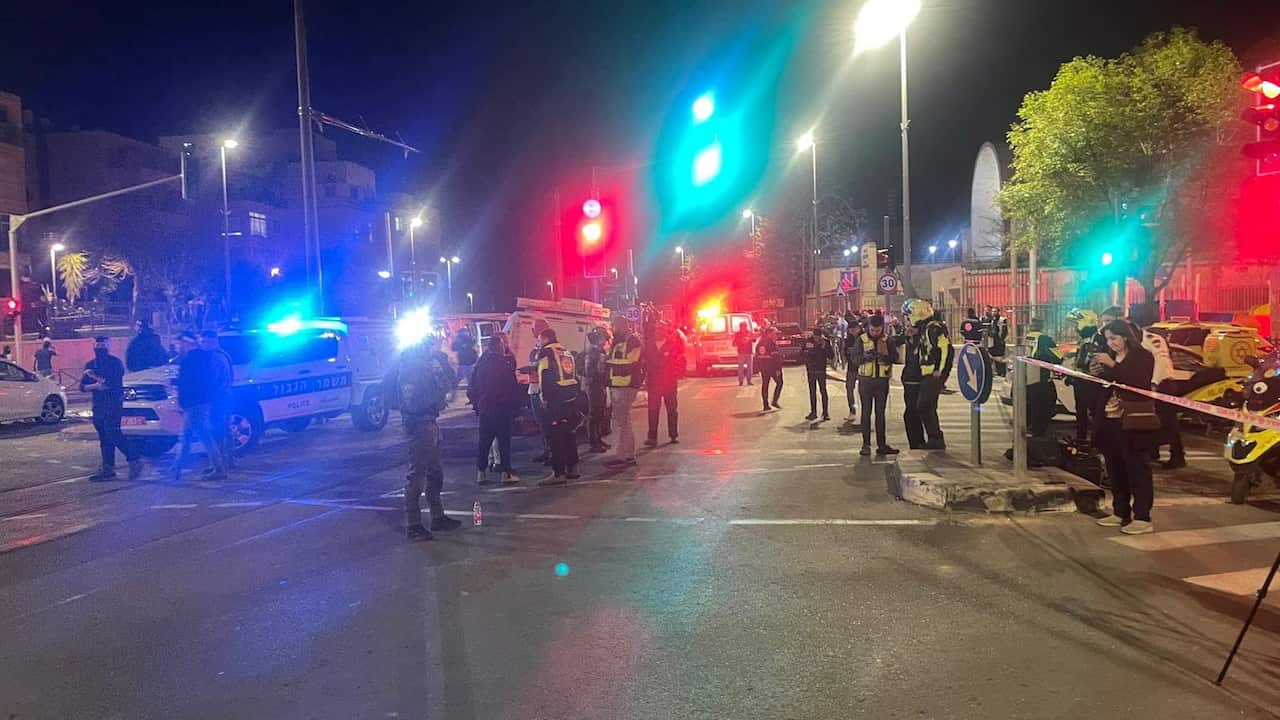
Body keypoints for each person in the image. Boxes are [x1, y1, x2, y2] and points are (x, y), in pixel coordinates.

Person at [1091, 319, 1157, 535]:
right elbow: (1107, 384)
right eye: (1108, 339)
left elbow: (1136, 383)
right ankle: (1121, 512)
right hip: (1110, 420)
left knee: (1137, 469)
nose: (1111, 343)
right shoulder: (1111, 358)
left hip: (1133, 421)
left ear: (1126, 336)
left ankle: (1142, 516)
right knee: (1115, 469)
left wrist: (1112, 366)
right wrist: (1096, 373)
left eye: (1114, 338)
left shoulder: (1143, 357)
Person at [397, 332, 460, 540]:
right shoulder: (410, 370)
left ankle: (437, 516)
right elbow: (413, 403)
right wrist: (437, 394)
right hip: (419, 425)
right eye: (433, 346)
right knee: (417, 476)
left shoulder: (427, 366)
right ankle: (413, 524)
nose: (436, 350)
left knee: (435, 472)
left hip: (430, 422)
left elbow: (448, 383)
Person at [80, 336, 143, 481]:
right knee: (104, 437)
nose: (100, 348)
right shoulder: (91, 364)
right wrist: (95, 386)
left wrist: (94, 377)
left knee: (112, 432)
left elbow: (111, 383)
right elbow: (82, 386)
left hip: (113, 404)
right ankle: (108, 468)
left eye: (103, 345)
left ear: (108, 346)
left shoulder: (115, 363)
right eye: (98, 344)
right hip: (98, 405)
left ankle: (134, 458)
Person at [172, 331, 227, 482]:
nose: (176, 347)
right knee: (187, 436)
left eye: (178, 344)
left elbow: (191, 382)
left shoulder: (191, 360)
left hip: (194, 402)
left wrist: (175, 383)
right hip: (197, 402)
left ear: (186, 343)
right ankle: (177, 467)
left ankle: (219, 467)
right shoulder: (201, 358)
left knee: (203, 435)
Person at [469, 335, 522, 485]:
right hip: (502, 409)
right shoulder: (504, 365)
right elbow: (513, 389)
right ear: (498, 347)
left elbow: (472, 388)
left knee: (484, 442)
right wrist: (515, 408)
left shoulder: (480, 365)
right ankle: (506, 473)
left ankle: (481, 473)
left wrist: (477, 405)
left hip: (486, 409)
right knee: (504, 442)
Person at [537, 328, 582, 483]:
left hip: (554, 399)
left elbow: (544, 375)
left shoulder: (545, 353)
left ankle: (558, 473)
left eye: (539, 339)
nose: (539, 342)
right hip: (569, 397)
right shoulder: (565, 351)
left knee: (555, 435)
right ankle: (573, 467)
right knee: (568, 433)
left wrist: (543, 398)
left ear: (545, 338)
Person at [850, 314, 899, 456]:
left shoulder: (887, 340)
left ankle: (881, 445)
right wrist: (865, 357)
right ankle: (866, 445)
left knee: (880, 414)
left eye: (877, 330)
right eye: (872, 330)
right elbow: (854, 359)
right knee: (866, 413)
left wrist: (885, 358)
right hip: (865, 382)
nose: (875, 333)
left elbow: (896, 357)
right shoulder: (862, 340)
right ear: (868, 328)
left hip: (881, 382)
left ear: (882, 328)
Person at [906, 298, 950, 450]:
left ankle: (936, 439)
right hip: (927, 374)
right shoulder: (926, 328)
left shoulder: (934, 328)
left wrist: (940, 371)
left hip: (932, 374)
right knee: (926, 406)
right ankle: (934, 438)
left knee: (925, 406)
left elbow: (945, 350)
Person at [606, 317, 644, 469]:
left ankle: (623, 456)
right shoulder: (621, 341)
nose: (612, 331)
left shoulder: (632, 341)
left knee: (622, 422)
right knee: (624, 421)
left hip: (625, 385)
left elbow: (631, 362)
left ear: (620, 326)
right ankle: (627, 455)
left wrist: (607, 362)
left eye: (613, 327)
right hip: (619, 385)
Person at [1065, 308, 1103, 444]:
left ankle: (1097, 442)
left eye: (1076, 324)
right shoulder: (1085, 340)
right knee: (1080, 412)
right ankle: (1081, 439)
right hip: (1081, 382)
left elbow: (1091, 362)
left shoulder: (1097, 339)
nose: (1075, 328)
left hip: (1091, 383)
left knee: (1094, 412)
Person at [200, 330, 236, 470]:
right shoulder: (224, 355)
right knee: (225, 429)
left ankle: (219, 463)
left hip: (217, 398)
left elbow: (213, 381)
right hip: (225, 396)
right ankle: (229, 461)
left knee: (217, 431)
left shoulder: (215, 357)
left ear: (213, 341)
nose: (202, 344)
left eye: (205, 341)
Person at [644, 323, 682, 446]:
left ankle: (673, 435)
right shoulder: (649, 345)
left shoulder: (672, 345)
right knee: (653, 411)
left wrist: (675, 374)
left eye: (661, 329)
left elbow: (679, 361)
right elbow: (645, 362)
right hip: (654, 383)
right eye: (657, 329)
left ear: (666, 332)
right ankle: (652, 437)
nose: (658, 332)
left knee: (672, 410)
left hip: (669, 383)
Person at [1026, 325, 1062, 437]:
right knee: (1041, 412)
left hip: (1030, 384)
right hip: (1041, 384)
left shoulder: (1027, 339)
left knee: (1033, 413)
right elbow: (1058, 358)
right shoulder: (1045, 340)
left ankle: (1033, 435)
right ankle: (1038, 436)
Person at [583, 327, 612, 454]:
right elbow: (592, 371)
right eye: (604, 338)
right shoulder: (593, 351)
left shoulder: (597, 351)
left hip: (599, 386)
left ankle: (598, 440)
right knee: (594, 414)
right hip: (594, 386)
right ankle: (594, 443)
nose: (605, 341)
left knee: (600, 414)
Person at [898, 322, 926, 449]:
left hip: (919, 379)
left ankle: (919, 440)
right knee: (910, 412)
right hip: (908, 379)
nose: (909, 329)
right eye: (907, 326)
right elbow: (893, 341)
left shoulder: (921, 341)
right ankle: (914, 442)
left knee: (915, 411)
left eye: (912, 327)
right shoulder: (906, 340)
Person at [800, 326, 833, 421]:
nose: (817, 339)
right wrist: (809, 354)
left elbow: (831, 355)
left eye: (818, 337)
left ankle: (825, 412)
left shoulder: (825, 342)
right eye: (815, 337)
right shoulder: (808, 341)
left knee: (823, 391)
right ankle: (813, 412)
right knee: (812, 391)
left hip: (821, 370)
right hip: (811, 370)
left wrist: (824, 348)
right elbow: (801, 353)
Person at [755, 326, 783, 412]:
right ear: (769, 334)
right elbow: (775, 358)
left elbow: (757, 356)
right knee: (780, 383)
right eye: (775, 334)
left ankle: (765, 404)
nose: (776, 335)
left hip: (764, 367)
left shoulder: (760, 343)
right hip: (772, 368)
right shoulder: (771, 344)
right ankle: (774, 401)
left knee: (765, 385)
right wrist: (778, 369)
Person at [842, 315, 863, 423]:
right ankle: (852, 411)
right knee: (849, 389)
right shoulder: (848, 339)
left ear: (858, 328)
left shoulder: (864, 338)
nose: (852, 331)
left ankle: (865, 412)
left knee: (863, 391)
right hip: (851, 368)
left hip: (863, 368)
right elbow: (846, 352)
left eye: (854, 329)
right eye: (850, 330)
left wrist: (853, 351)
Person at [733, 322, 755, 386]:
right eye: (742, 326)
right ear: (740, 327)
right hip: (741, 352)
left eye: (745, 326)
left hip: (749, 352)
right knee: (740, 367)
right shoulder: (737, 334)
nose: (743, 328)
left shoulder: (749, 332)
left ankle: (749, 380)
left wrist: (750, 338)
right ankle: (741, 381)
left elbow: (754, 340)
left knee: (750, 367)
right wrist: (741, 341)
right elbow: (734, 343)